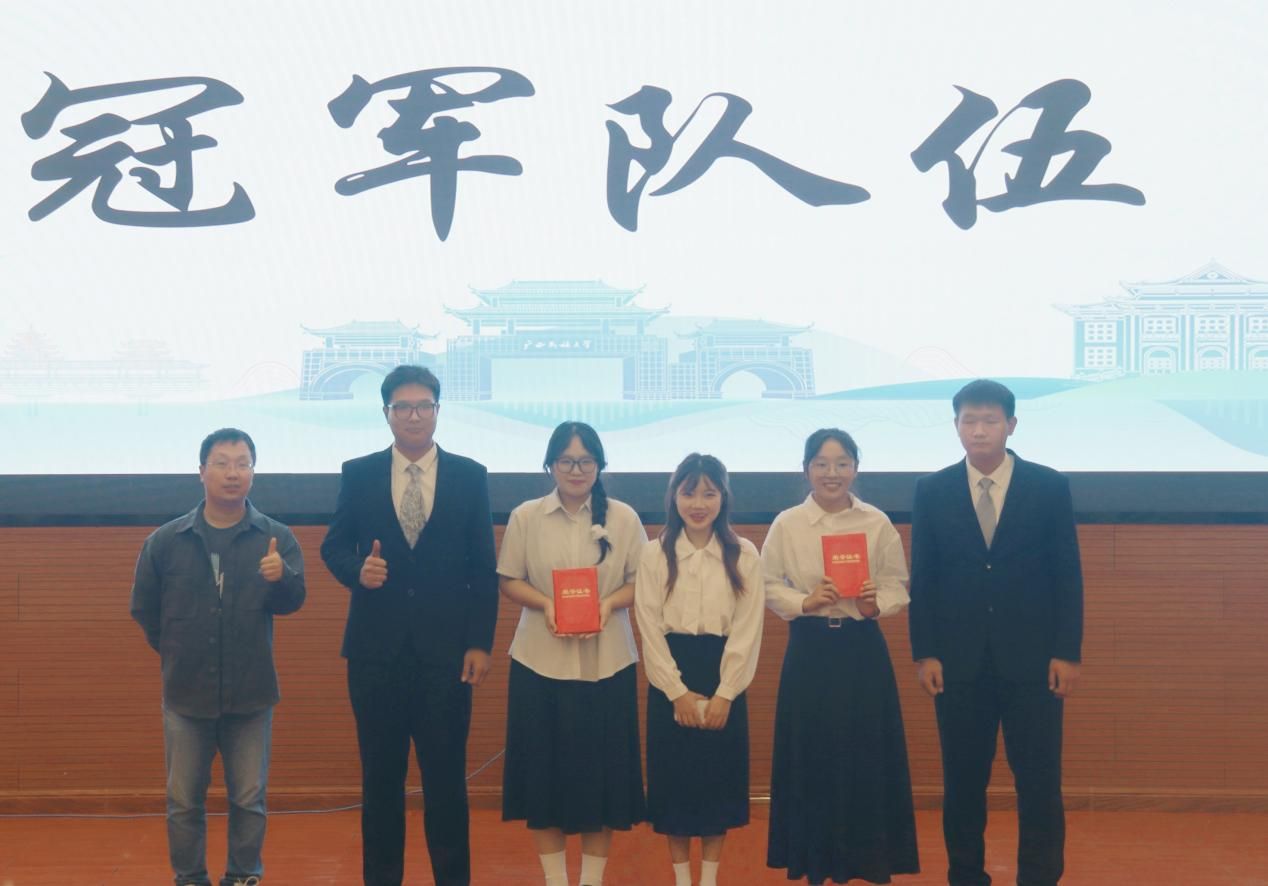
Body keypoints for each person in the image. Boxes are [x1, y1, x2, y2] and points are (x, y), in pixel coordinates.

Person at [319, 365, 498, 886]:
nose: (414, 416)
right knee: (380, 784)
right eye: (403, 407)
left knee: (446, 784)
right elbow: (333, 546)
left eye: (423, 406)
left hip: (447, 658)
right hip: (376, 657)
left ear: (437, 411)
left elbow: (482, 567)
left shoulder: (470, 475)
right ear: (386, 413)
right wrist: (358, 570)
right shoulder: (359, 473)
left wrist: (479, 643)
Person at [909, 379, 1083, 886]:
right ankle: (966, 875)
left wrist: (1067, 652)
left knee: (1039, 783)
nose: (979, 430)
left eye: (989, 420)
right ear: (956, 426)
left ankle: (1039, 877)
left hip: (1035, 662)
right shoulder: (932, 490)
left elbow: (1067, 574)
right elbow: (925, 577)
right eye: (969, 420)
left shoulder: (1049, 486)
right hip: (958, 663)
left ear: (1011, 424)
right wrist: (925, 652)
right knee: (963, 783)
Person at [130, 428, 306, 886]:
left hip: (251, 693)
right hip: (186, 693)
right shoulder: (166, 540)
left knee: (249, 798)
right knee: (183, 800)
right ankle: (189, 878)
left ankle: (243, 876)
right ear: (201, 472)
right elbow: (145, 609)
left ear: (253, 472)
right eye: (223, 463)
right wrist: (176, 649)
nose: (233, 473)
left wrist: (282, 577)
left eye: (243, 463)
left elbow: (294, 601)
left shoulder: (275, 537)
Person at [762, 428, 919, 885]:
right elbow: (766, 584)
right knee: (811, 751)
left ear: (855, 468)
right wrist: (804, 601)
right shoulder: (788, 523)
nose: (832, 473)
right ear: (806, 469)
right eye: (822, 464)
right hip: (809, 648)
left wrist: (875, 604)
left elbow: (897, 585)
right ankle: (814, 858)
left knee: (865, 751)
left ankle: (866, 859)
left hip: (861, 649)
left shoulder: (876, 522)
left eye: (842, 463)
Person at [498, 421, 647, 886]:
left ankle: (592, 880)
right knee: (544, 779)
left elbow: (642, 583)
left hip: (609, 663)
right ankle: (556, 880)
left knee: (603, 780)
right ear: (550, 466)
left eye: (585, 461)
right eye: (566, 461)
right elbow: (509, 579)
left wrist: (607, 604)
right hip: (539, 664)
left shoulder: (624, 518)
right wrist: (546, 604)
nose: (576, 470)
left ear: (599, 465)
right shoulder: (526, 516)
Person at [634, 453, 765, 886]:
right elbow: (648, 626)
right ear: (674, 496)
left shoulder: (743, 553)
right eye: (689, 492)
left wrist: (727, 692)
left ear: (723, 498)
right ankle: (680, 879)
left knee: (715, 786)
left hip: (723, 673)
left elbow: (747, 629)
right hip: (671, 676)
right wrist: (676, 692)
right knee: (674, 789)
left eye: (709, 493)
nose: (698, 503)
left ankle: (708, 879)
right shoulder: (654, 553)